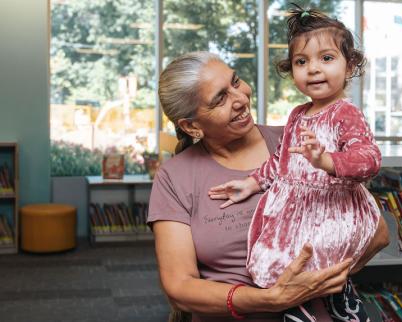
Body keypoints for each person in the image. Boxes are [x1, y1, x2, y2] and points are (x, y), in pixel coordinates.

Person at [148, 51, 389, 322]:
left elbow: (377, 232)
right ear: (191, 126)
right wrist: (272, 299)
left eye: (236, 82)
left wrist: (319, 281)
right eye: (220, 98)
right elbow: (179, 287)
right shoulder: (174, 177)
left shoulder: (299, 141)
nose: (240, 99)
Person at [208, 5, 383, 322]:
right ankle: (304, 308)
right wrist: (251, 183)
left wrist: (327, 160)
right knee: (276, 261)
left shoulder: (346, 113)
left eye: (326, 59)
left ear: (350, 64)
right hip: (297, 206)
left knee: (317, 263)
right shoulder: (297, 115)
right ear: (292, 70)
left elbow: (369, 159)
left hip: (333, 207)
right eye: (302, 62)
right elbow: (281, 161)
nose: (313, 70)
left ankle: (339, 306)